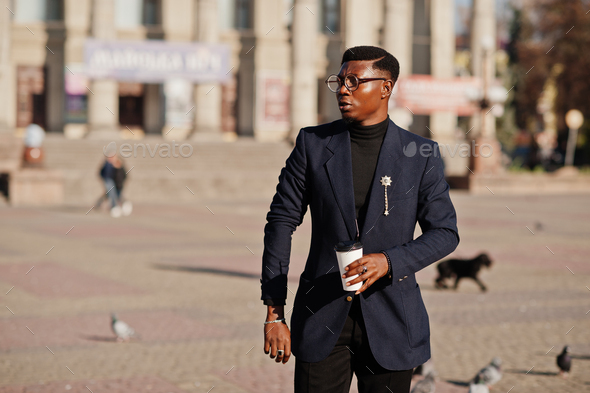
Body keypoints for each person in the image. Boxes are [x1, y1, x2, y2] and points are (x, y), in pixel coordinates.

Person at [260, 46, 459, 393]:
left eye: (354, 80)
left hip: (393, 323)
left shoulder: (421, 153)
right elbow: (281, 221)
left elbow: (445, 232)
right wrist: (275, 312)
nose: (342, 89)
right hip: (320, 318)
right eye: (339, 81)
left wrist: (390, 261)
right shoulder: (313, 143)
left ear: (386, 87)